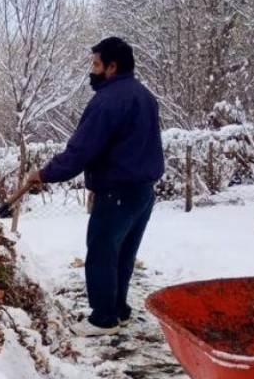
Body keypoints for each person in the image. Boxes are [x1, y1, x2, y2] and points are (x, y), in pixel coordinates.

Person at [26, 37, 165, 337]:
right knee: (124, 253)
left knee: (102, 252)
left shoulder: (107, 101)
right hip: (143, 191)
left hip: (116, 192)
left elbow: (80, 151)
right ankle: (119, 310)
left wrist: (45, 173)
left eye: (96, 64)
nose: (92, 70)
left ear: (112, 67)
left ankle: (103, 319)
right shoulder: (144, 96)